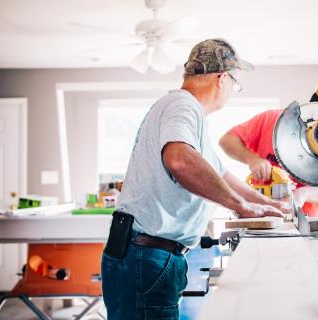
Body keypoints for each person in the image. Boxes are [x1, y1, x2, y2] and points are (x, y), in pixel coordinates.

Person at [101, 38, 286, 320]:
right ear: (223, 79)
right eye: (236, 84)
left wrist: (263, 203)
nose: (233, 91)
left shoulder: (187, 113)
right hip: (147, 256)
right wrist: (242, 206)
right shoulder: (182, 105)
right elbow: (180, 160)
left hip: (146, 254)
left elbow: (219, 172)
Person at [219, 101, 318, 217]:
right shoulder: (272, 119)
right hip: (258, 212)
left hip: (302, 219)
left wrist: (304, 194)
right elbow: (227, 140)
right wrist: (251, 159)